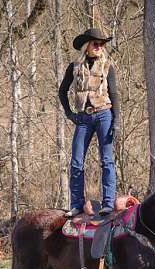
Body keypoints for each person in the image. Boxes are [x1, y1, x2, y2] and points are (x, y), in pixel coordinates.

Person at [58, 28, 121, 218]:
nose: (99, 47)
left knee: (107, 160)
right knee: (77, 161)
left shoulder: (108, 66)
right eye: (96, 44)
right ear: (87, 46)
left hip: (104, 114)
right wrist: (69, 113)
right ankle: (76, 204)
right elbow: (62, 91)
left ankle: (108, 203)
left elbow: (115, 93)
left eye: (102, 44)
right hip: (83, 117)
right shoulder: (74, 67)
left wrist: (116, 121)